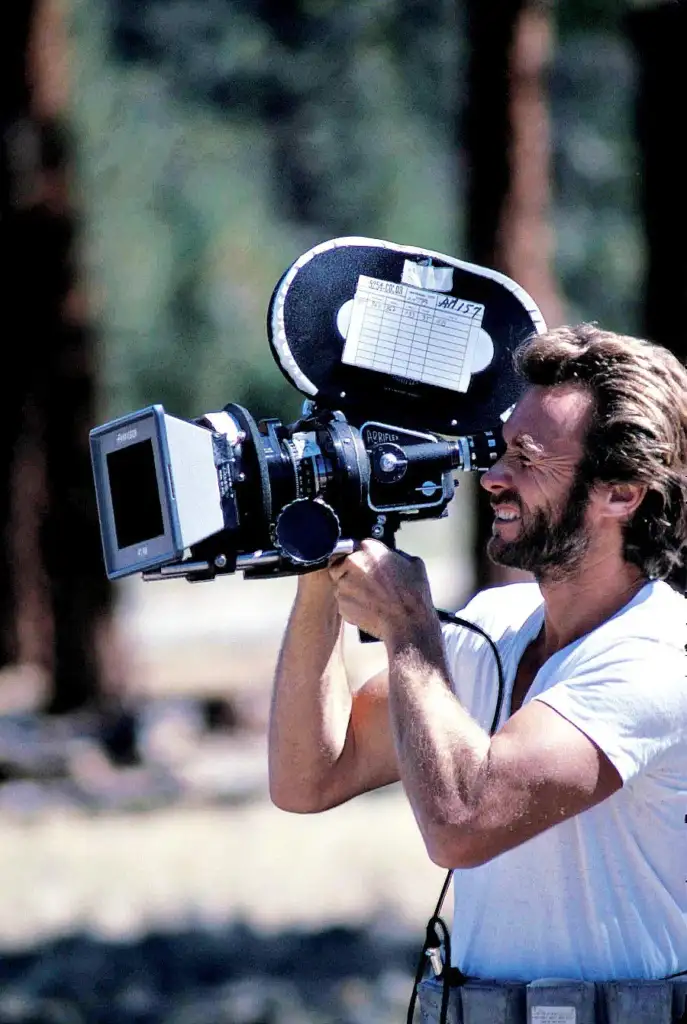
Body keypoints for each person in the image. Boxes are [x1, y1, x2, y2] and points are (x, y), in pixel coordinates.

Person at [268, 324, 687, 984]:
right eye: (498, 452)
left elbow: (462, 824)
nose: (491, 478)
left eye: (526, 457)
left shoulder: (659, 658)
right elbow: (308, 777)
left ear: (620, 493)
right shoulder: (493, 627)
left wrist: (407, 627)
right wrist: (321, 566)